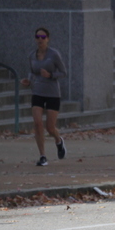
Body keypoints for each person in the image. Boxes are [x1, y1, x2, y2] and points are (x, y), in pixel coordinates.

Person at [20, 27, 67, 166]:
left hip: (52, 92)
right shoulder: (32, 55)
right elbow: (32, 72)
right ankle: (43, 156)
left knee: (50, 127)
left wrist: (51, 75)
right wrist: (28, 81)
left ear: (48, 39)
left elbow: (64, 72)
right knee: (37, 123)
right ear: (35, 39)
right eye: (38, 37)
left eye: (43, 37)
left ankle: (58, 141)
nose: (40, 39)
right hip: (37, 91)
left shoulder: (54, 54)